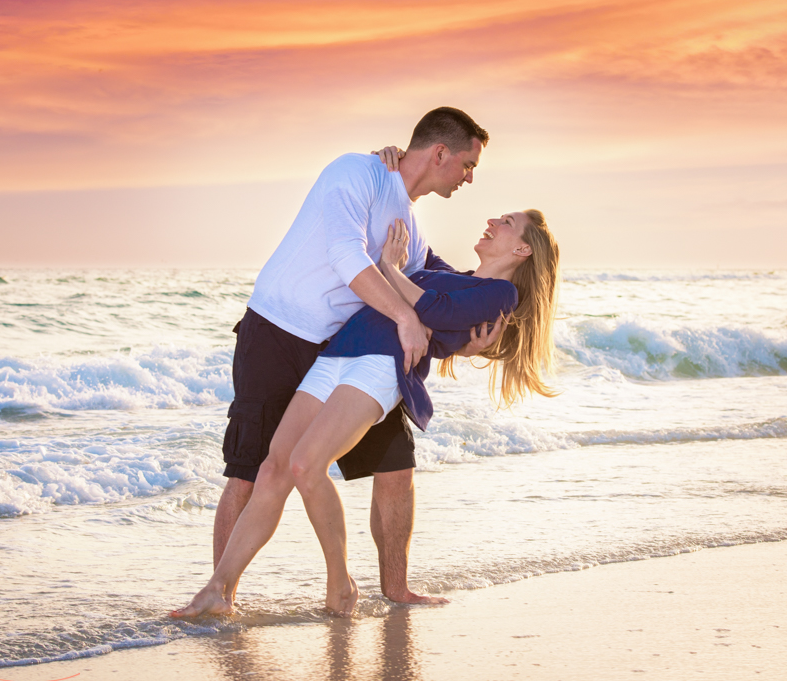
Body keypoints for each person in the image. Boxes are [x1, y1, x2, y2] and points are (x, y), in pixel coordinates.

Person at [175, 208, 560, 617]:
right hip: (336, 354)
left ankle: (341, 583)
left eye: (506, 222)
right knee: (274, 468)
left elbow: (432, 310)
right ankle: (219, 589)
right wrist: (389, 167)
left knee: (307, 465)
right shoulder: (457, 277)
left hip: (379, 366)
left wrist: (389, 270)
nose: (492, 221)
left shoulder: (502, 294)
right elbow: (411, 235)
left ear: (521, 248)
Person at [213, 107, 502, 607]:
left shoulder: (413, 228)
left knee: (396, 465)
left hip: (347, 350)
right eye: (467, 165)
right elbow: (348, 256)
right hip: (278, 333)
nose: (469, 178)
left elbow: (441, 292)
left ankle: (395, 590)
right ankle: (222, 595)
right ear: (439, 154)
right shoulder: (356, 171)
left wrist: (478, 341)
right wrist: (406, 319)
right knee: (251, 470)